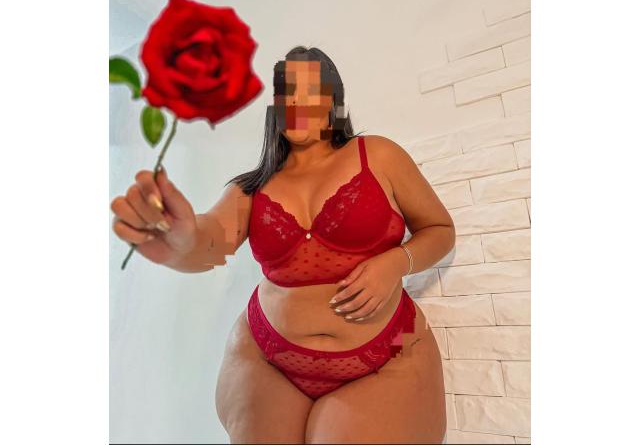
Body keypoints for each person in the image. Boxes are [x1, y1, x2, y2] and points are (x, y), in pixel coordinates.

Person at [111, 46, 455, 444]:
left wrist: (397, 261)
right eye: (286, 92)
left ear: (333, 100)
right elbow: (208, 242)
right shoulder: (252, 187)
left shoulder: (378, 155)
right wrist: (181, 240)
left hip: (386, 353)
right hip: (266, 359)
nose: (296, 102)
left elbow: (440, 229)